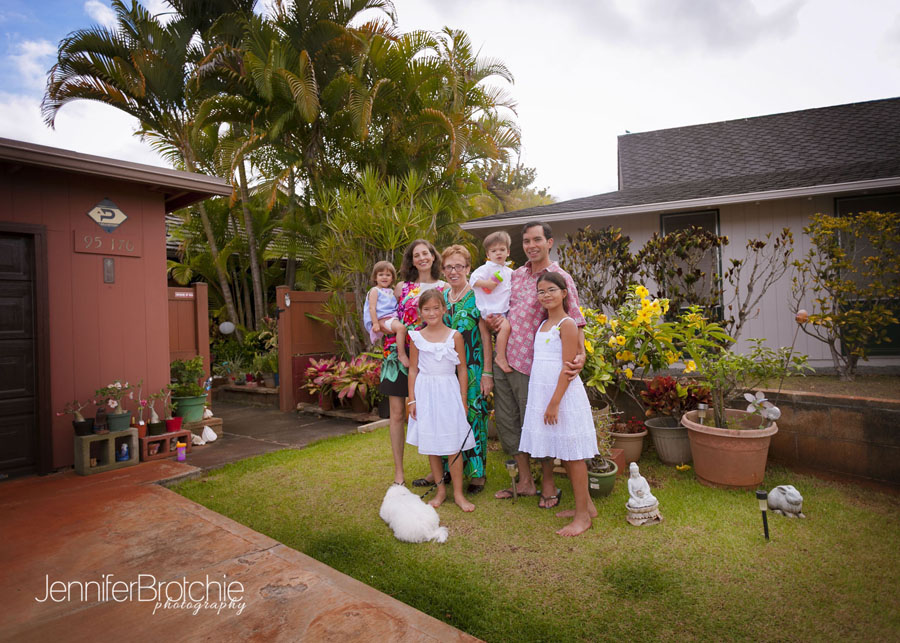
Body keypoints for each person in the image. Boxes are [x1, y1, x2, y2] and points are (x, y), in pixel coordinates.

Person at [488, 221, 587, 507]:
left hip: (535, 365)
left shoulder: (559, 276)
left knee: (537, 423)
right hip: (505, 357)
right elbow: (507, 309)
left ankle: (548, 484)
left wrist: (581, 353)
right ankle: (525, 481)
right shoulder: (516, 275)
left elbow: (576, 318)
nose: (531, 246)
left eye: (537, 240)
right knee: (508, 421)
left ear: (549, 242)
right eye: (526, 241)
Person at [519, 272, 598, 536]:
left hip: (562, 397)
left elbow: (568, 368)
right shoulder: (543, 324)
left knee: (573, 456)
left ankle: (582, 517)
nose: (546, 295)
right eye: (541, 291)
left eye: (551, 290)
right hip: (545, 394)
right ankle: (587, 505)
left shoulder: (567, 324)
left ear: (564, 293)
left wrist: (554, 403)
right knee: (564, 451)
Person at [411, 245, 493, 493]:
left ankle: (476, 472)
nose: (454, 271)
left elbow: (485, 335)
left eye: (459, 266)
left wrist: (487, 373)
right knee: (444, 418)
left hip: (474, 366)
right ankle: (445, 470)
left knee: (473, 416)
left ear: (468, 268)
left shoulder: (478, 295)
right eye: (449, 267)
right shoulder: (442, 297)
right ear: (443, 269)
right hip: (444, 370)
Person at [379, 239, 446, 486]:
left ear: (433, 256)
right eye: (416, 255)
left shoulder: (444, 286)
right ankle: (399, 472)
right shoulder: (400, 287)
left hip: (428, 357)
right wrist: (384, 326)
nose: (421, 258)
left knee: (431, 412)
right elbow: (384, 315)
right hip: (396, 357)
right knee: (397, 414)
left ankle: (437, 471)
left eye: (425, 253)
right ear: (411, 260)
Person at [406, 289, 475, 512]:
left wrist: (463, 400)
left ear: (444, 309)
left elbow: (462, 369)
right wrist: (412, 400)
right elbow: (413, 371)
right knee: (432, 444)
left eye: (436, 308)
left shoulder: (454, 336)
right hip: (425, 393)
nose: (432, 312)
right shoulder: (417, 337)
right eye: (427, 309)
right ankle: (440, 491)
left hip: (448, 392)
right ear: (421, 312)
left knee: (454, 444)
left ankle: (458, 493)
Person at [469, 231, 513, 373]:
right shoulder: (486, 269)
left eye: (502, 250)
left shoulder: (509, 272)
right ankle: (499, 356)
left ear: (508, 252)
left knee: (505, 329)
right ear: (488, 255)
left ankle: (502, 354)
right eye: (494, 251)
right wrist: (487, 283)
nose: (498, 253)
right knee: (505, 328)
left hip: (503, 309)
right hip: (491, 309)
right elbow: (473, 280)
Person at [363, 261, 404, 345]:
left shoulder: (391, 291)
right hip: (384, 319)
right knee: (401, 328)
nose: (384, 277)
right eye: (381, 275)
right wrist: (375, 323)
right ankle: (401, 353)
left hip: (392, 318)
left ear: (392, 278)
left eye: (388, 275)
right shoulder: (375, 290)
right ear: (375, 277)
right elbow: (372, 308)